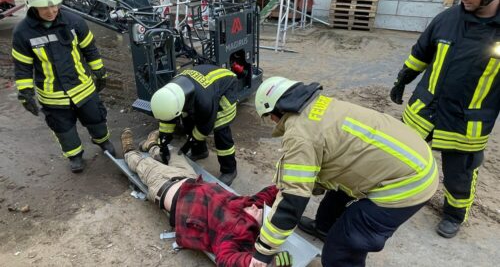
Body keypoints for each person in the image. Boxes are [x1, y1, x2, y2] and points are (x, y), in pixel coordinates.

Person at [249, 76, 438, 267]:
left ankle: (341, 251)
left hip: (409, 184)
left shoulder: (300, 135)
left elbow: (293, 199)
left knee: (342, 249)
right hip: (414, 157)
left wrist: (263, 251)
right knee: (337, 195)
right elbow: (328, 162)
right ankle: (324, 228)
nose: (272, 122)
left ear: (277, 110)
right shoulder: (321, 104)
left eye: (269, 117)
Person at [389, 0, 500, 238]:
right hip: (424, 111)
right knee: (402, 157)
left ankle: (454, 214)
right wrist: (403, 80)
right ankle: (393, 196)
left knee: (459, 174)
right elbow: (420, 54)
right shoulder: (447, 20)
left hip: (466, 124)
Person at [119, 128, 293, 267]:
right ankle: (152, 146)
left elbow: (225, 258)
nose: (258, 207)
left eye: (260, 214)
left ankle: (128, 150)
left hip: (165, 187)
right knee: (174, 153)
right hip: (189, 178)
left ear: (259, 227)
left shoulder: (236, 233)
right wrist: (290, 188)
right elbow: (269, 195)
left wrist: (251, 263)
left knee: (141, 164)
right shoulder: (251, 206)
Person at [11, 0, 115, 173]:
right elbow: (22, 67)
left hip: (83, 86)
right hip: (53, 95)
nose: (51, 12)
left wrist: (100, 71)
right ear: (32, 7)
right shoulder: (22, 33)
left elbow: (90, 49)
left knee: (96, 118)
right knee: (63, 129)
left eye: (54, 6)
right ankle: (75, 156)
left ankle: (103, 142)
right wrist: (25, 93)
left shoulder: (74, 22)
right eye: (45, 8)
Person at [150, 64, 239, 185]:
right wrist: (164, 141)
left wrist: (190, 142)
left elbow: (205, 127)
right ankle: (200, 151)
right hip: (202, 87)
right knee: (187, 120)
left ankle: (230, 170)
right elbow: (167, 118)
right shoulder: (169, 93)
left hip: (226, 88)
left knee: (220, 129)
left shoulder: (205, 101)